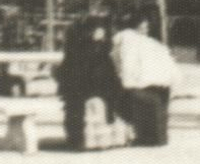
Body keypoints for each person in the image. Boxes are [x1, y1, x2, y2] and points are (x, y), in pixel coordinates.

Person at [111, 9, 179, 147]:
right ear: (137, 26)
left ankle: (148, 137)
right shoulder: (135, 40)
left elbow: (122, 61)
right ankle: (156, 137)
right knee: (153, 105)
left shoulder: (135, 40)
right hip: (155, 82)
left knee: (142, 102)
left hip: (146, 82)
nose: (146, 28)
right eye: (144, 26)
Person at [56, 14, 122, 150]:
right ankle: (83, 138)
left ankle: (85, 138)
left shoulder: (99, 50)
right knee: (83, 105)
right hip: (84, 88)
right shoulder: (85, 51)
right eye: (98, 30)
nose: (101, 34)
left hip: (89, 88)